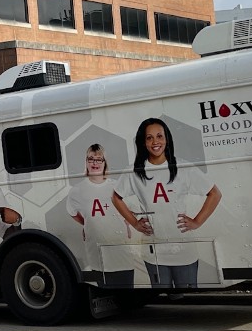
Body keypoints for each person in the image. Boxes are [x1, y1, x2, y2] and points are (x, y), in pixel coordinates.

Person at [129, 117, 221, 288]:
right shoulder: (136, 172)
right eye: (149, 138)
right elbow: (116, 197)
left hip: (184, 250)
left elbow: (214, 193)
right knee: (161, 297)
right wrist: (135, 223)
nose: (155, 142)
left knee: (187, 298)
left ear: (167, 139)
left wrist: (197, 221)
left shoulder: (183, 167)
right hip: (154, 251)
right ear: (143, 142)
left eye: (159, 136)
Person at [66, 144, 152, 287]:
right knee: (104, 289)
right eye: (91, 159)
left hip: (121, 251)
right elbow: (73, 212)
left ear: (105, 163)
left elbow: (133, 208)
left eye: (99, 159)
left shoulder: (116, 186)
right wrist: (87, 223)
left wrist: (128, 221)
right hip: (97, 253)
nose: (95, 163)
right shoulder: (77, 190)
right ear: (86, 162)